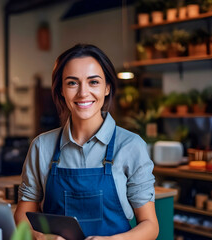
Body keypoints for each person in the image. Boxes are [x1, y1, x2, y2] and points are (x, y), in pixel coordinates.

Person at [14, 44, 159, 240]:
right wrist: (42, 238)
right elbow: (23, 213)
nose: (83, 93)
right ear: (61, 90)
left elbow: (150, 225)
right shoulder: (42, 146)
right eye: (72, 83)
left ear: (107, 87)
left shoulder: (131, 145)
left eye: (93, 82)